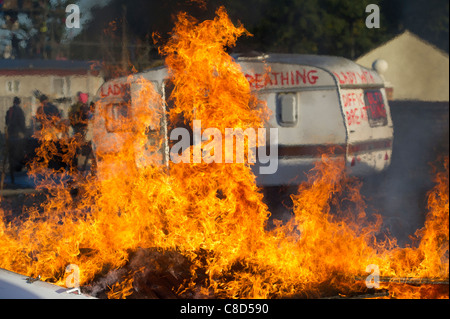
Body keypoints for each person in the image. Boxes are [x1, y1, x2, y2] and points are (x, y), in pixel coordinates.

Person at [5, 97, 26, 184]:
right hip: (17, 135)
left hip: (10, 135)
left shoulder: (9, 110)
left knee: (11, 152)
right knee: (18, 152)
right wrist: (24, 132)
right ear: (19, 102)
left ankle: (12, 168)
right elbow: (22, 122)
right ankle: (17, 169)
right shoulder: (19, 111)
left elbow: (6, 122)